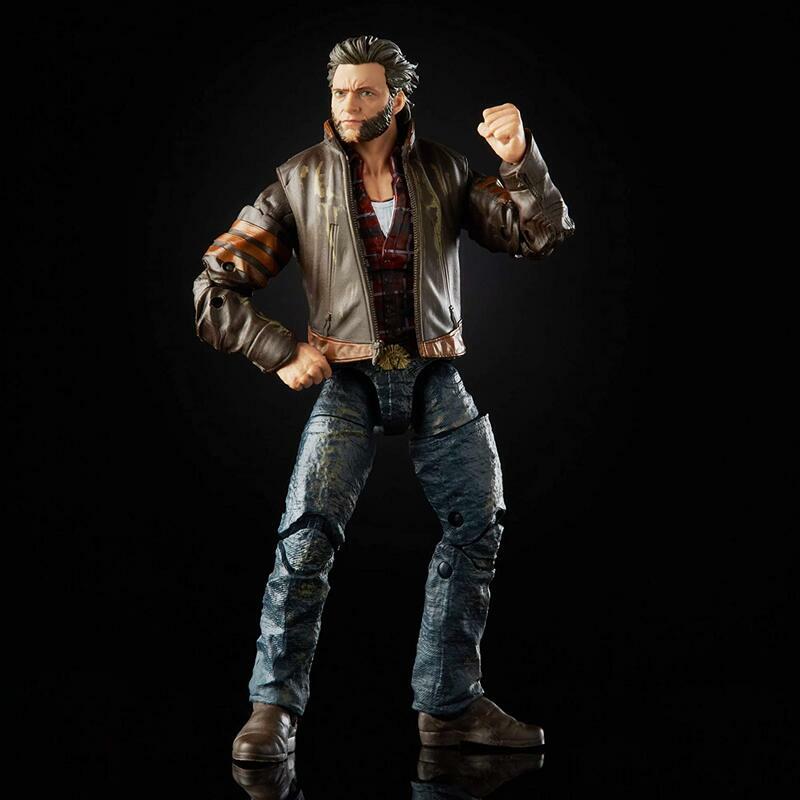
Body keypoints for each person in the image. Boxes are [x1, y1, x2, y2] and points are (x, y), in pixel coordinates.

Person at [192, 34, 575, 763]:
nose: (348, 104)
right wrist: (280, 352)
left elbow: (539, 236)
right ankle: (272, 709)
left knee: (479, 522)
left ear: (396, 99)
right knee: (306, 536)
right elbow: (213, 287)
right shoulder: (299, 180)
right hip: (348, 378)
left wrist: (520, 159)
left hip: (432, 373)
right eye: (339, 91)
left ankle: (450, 705)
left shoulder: (444, 172)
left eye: (364, 92)